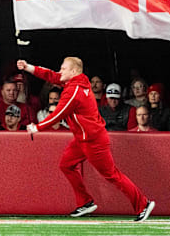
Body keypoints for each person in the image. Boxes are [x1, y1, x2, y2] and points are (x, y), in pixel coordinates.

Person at [18, 58, 155, 222]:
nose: (60, 72)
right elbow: (51, 76)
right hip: (82, 138)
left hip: (93, 140)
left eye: (63, 69)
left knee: (112, 174)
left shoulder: (74, 91)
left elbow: (59, 113)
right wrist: (29, 68)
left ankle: (143, 204)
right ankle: (85, 202)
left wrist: (37, 127)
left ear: (74, 72)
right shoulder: (76, 83)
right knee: (66, 165)